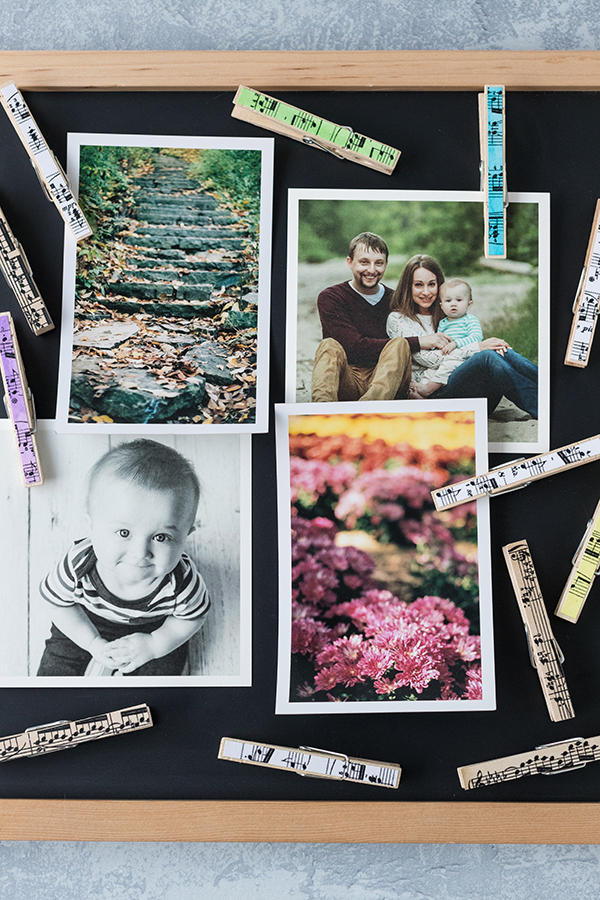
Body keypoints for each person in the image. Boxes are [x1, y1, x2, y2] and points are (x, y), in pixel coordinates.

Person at [37, 439, 210, 677]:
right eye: (124, 533)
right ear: (92, 526)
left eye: (161, 537)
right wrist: (91, 643)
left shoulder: (181, 582)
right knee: (55, 670)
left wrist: (154, 645)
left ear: (186, 535)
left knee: (164, 677)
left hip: (155, 626)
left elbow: (192, 617)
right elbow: (57, 603)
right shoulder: (79, 565)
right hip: (86, 618)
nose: (140, 552)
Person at [386, 255, 538, 418]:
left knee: (500, 351)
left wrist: (478, 348)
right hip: (431, 394)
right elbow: (427, 359)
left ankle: (551, 386)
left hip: (467, 390)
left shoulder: (444, 314)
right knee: (486, 356)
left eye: (432, 284)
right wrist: (476, 348)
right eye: (418, 285)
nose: (426, 292)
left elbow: (465, 351)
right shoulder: (397, 319)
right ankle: (541, 408)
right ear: (407, 286)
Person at [311, 232, 413, 402]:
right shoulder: (331, 297)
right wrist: (419, 342)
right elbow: (354, 347)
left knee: (400, 344)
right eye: (364, 262)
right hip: (347, 380)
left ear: (386, 264)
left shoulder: (396, 299)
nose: (371, 270)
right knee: (329, 345)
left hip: (386, 380)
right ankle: (322, 411)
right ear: (350, 262)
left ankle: (369, 410)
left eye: (378, 263)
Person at [393, 277, 486, 399]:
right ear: (441, 305)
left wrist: (456, 344)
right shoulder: (443, 322)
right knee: (431, 372)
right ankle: (422, 394)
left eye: (459, 300)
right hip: (445, 356)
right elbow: (438, 341)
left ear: (469, 304)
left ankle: (428, 389)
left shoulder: (470, 320)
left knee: (447, 367)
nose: (453, 303)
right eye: (448, 301)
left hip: (463, 357)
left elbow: (476, 337)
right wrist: (434, 349)